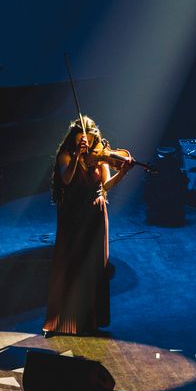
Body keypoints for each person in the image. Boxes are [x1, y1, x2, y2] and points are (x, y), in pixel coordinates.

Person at [43, 115, 135, 335]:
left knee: (95, 267)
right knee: (72, 264)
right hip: (73, 214)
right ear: (73, 138)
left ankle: (92, 320)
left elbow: (107, 185)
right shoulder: (66, 155)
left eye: (89, 140)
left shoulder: (100, 156)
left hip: (95, 213)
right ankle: (67, 321)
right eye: (80, 140)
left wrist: (122, 172)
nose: (85, 144)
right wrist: (77, 155)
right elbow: (66, 179)